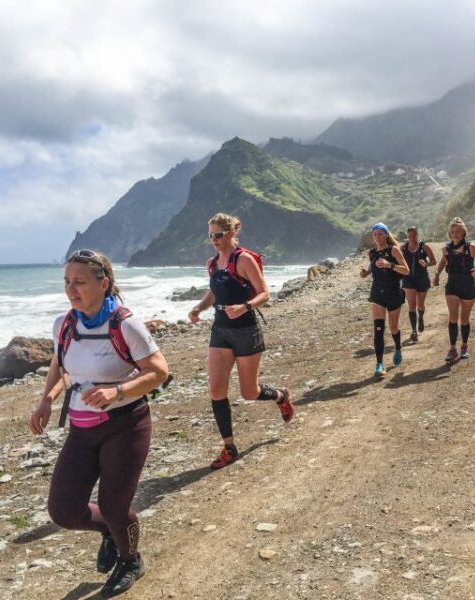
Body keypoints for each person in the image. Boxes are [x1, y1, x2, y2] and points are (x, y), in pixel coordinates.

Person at [29, 249, 169, 598]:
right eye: (66, 282)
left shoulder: (125, 323)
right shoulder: (64, 324)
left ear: (103, 283)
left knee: (113, 505)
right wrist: (48, 398)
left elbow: (158, 372)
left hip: (127, 425)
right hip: (82, 428)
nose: (70, 289)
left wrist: (118, 390)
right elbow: (60, 364)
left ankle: (130, 557)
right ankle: (112, 530)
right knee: (63, 510)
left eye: (79, 282)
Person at [188, 213, 294, 471]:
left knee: (249, 392)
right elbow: (215, 291)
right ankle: (229, 447)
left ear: (231, 233)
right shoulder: (212, 263)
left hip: (246, 330)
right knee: (216, 389)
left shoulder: (243, 259)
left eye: (218, 234)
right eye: (210, 235)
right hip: (221, 329)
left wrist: (246, 306)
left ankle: (280, 396)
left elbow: (265, 293)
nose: (214, 239)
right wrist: (199, 308)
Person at [432, 217, 475, 362]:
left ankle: (464, 346)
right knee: (453, 318)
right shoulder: (446, 249)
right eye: (453, 232)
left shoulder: (470, 247)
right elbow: (442, 262)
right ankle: (452, 349)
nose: (455, 234)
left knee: (464, 319)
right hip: (452, 286)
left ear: (463, 232)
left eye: (458, 231)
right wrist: (437, 274)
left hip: (468, 286)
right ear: (449, 233)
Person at [360, 223, 410, 377]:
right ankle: (379, 364)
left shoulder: (393, 250)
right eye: (374, 234)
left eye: (380, 234)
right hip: (377, 293)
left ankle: (398, 346)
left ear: (386, 235)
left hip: (393, 292)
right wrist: (365, 273)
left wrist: (390, 265)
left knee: (393, 327)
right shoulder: (372, 253)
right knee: (378, 329)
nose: (377, 237)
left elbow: (406, 271)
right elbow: (371, 268)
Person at [400, 226, 437, 342]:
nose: (412, 238)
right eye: (409, 236)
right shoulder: (403, 248)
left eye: (414, 235)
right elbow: (397, 261)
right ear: (407, 236)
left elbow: (434, 261)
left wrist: (426, 264)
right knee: (411, 306)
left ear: (417, 234)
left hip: (422, 279)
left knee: (420, 305)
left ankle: (420, 317)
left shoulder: (424, 247)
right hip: (408, 280)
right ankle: (414, 331)